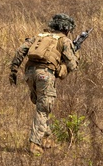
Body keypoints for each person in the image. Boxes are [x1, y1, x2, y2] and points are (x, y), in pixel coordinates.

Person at [9, 13, 79, 155]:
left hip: (29, 74)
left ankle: (46, 139)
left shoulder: (39, 37)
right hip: (45, 75)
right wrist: (75, 55)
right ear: (66, 29)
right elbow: (72, 65)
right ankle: (34, 144)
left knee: (42, 105)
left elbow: (20, 51)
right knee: (43, 108)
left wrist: (14, 70)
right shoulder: (64, 41)